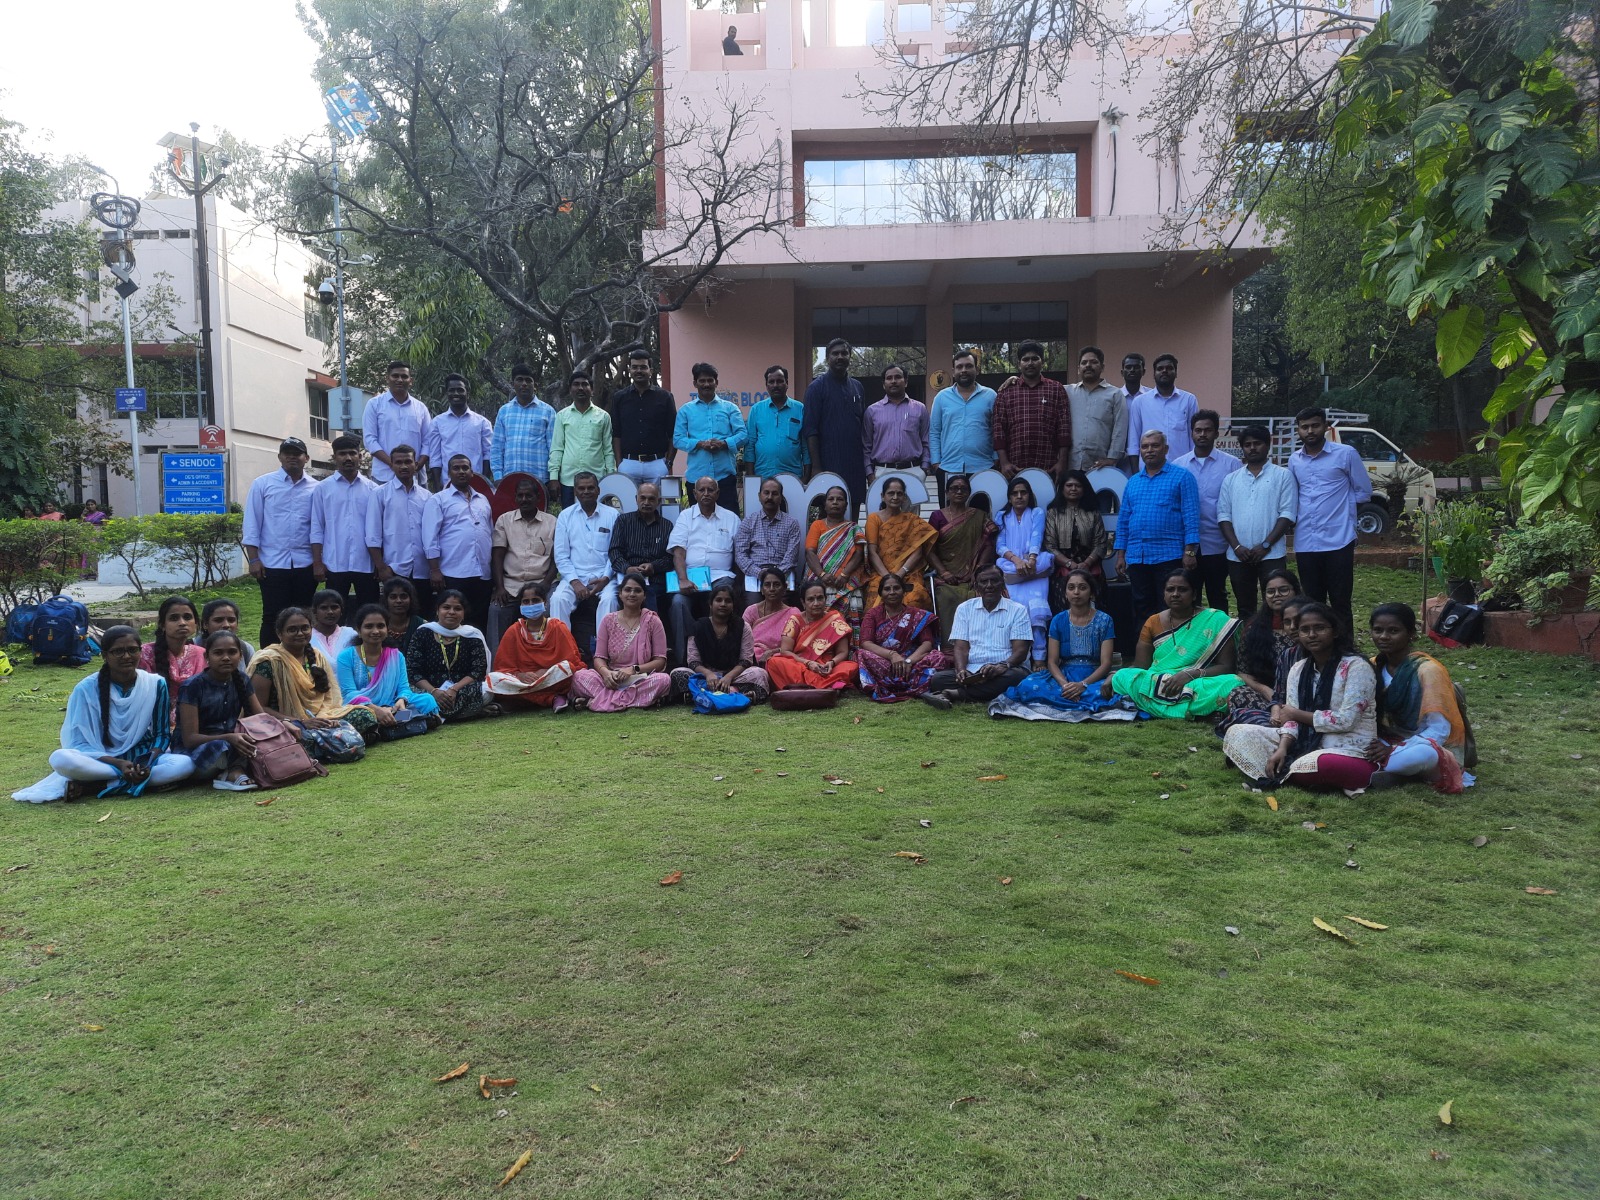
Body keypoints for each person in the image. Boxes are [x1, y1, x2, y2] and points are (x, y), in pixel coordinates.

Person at [12, 626, 194, 803]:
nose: (127, 656)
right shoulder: (85, 689)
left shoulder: (155, 684)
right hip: (102, 761)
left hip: (143, 758)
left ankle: (95, 786)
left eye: (132, 650)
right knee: (61, 759)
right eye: (118, 651)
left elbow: (162, 735)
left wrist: (148, 761)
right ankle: (125, 781)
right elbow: (79, 744)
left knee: (185, 764)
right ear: (104, 655)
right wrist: (119, 764)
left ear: (140, 651)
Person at [1223, 602, 1379, 791]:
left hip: (1346, 747)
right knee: (1238, 733)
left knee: (1320, 763)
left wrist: (1296, 714)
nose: (1311, 635)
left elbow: (1347, 720)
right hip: (1303, 741)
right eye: (1305, 630)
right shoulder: (1298, 669)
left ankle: (1286, 771)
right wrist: (1282, 748)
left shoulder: (1356, 667)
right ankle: (1290, 770)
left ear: (1335, 632)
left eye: (1319, 628)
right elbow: (1290, 720)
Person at [991, 569, 1126, 721]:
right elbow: (1052, 662)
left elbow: (1106, 663)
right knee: (1028, 685)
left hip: (1093, 677)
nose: (1076, 592)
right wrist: (1065, 685)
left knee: (1105, 692)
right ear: (1065, 593)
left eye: (1082, 588)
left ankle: (1070, 698)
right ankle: (1069, 696)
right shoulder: (1058, 620)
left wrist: (1083, 685)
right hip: (1063, 676)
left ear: (1092, 593)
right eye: (1071, 588)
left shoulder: (1105, 620)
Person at [1108, 567, 1243, 719]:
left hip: (1198, 682)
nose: (1175, 594)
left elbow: (1227, 667)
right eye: (1170, 589)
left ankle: (1158, 706)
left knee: (1233, 682)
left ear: (1194, 594)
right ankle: (1198, 710)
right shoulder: (1153, 622)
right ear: (1164, 594)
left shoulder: (1216, 620)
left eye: (1182, 590)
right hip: (1159, 681)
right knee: (1123, 676)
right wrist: (1114, 675)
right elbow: (1140, 666)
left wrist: (1190, 675)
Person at [1368, 602, 1473, 793]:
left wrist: (1395, 748)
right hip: (1385, 739)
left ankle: (1393, 770)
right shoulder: (1371, 666)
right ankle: (1395, 771)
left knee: (1420, 755)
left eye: (1393, 631)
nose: (1383, 636)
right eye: (1378, 630)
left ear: (1411, 634)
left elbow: (1439, 729)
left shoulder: (1428, 670)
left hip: (1424, 744)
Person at [1288, 406, 1371, 634]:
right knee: (1312, 603)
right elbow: (1294, 495)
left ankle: (1345, 649)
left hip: (1339, 539)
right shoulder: (1294, 460)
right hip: (1306, 541)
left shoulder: (1346, 454)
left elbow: (1363, 491)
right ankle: (1317, 648)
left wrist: (1342, 512)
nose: (1310, 431)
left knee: (1340, 602)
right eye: (1304, 427)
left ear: (1325, 427)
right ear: (1298, 430)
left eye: (1315, 425)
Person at [250, 608, 375, 757]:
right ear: (279, 633)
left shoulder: (316, 656)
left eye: (305, 628)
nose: (300, 633)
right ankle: (339, 741)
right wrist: (300, 721)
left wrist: (326, 718)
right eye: (292, 630)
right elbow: (258, 708)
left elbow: (328, 698)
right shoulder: (269, 661)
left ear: (311, 629)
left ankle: (329, 742)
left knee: (365, 716)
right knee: (296, 736)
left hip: (320, 717)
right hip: (285, 722)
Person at [1114, 430, 1201, 624]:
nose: (1149, 450)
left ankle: (1171, 643)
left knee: (1171, 607)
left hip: (1169, 556)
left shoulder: (1182, 477)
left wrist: (1190, 552)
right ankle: (1144, 643)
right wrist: (1120, 555)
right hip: (1137, 557)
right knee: (1141, 607)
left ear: (1166, 449)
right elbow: (1124, 520)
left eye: (1155, 445)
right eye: (1145, 446)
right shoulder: (1133, 482)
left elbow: (1191, 517)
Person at [242, 437, 319, 646]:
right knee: (272, 617)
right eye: (287, 453)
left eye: (297, 453)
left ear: (306, 458)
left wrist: (319, 562)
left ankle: (301, 658)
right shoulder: (263, 484)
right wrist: (253, 559)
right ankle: (269, 660)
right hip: (272, 564)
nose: (292, 457)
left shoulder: (317, 488)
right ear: (280, 457)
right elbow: (252, 524)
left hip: (305, 564)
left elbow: (320, 527)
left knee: (304, 617)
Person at [921, 565, 1031, 708]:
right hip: (973, 672)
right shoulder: (964, 609)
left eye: (994, 581)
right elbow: (961, 648)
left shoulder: (1018, 610)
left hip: (1006, 669)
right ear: (976, 586)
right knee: (938, 679)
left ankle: (955, 694)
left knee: (1018, 678)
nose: (989, 585)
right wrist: (961, 671)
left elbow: (1021, 651)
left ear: (1003, 584)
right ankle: (979, 691)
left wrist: (1002, 666)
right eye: (984, 582)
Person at [1217, 423, 1298, 617]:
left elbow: (1287, 514)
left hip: (1271, 554)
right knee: (1245, 607)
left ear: (1267, 445)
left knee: (1277, 606)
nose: (1252, 448)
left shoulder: (1283, 476)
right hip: (1238, 555)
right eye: (1247, 444)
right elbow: (1223, 516)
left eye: (1257, 443)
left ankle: (1276, 637)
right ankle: (1250, 637)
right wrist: (1237, 547)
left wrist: (1266, 545)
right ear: (1242, 448)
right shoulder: (1231, 479)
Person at [1214, 572, 1306, 734]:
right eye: (1270, 591)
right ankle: (1280, 721)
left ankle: (1276, 722)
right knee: (1238, 693)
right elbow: (1243, 672)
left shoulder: (1311, 623)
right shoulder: (1253, 628)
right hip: (1268, 694)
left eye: (1283, 590)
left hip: (1306, 692)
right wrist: (1266, 691)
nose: (1276, 595)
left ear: (1296, 591)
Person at [176, 630, 266, 790]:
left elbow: (261, 718)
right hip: (199, 751)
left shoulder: (242, 679)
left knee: (261, 739)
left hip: (234, 743)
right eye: (218, 653)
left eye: (232, 652)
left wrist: (284, 725)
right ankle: (233, 771)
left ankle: (232, 769)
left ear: (240, 656)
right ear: (207, 657)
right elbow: (190, 739)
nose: (226, 658)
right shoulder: (192, 686)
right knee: (221, 747)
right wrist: (228, 738)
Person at [335, 604, 441, 738]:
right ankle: (407, 721)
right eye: (369, 626)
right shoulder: (346, 656)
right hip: (364, 707)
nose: (375, 631)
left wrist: (401, 700)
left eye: (380, 626)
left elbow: (404, 688)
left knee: (426, 700)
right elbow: (349, 694)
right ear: (359, 631)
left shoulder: (396, 656)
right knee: (363, 715)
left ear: (387, 629)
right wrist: (376, 709)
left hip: (392, 705)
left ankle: (384, 726)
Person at [570, 573, 673, 711]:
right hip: (612, 679)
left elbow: (660, 661)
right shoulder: (608, 620)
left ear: (644, 596)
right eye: (628, 590)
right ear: (620, 594)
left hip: (639, 679)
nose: (632, 594)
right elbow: (599, 657)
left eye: (637, 590)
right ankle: (635, 700)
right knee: (579, 676)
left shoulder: (652, 621)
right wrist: (606, 674)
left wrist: (633, 670)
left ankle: (601, 700)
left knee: (663, 680)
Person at [1173, 409, 1242, 612]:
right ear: (1192, 433)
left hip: (1217, 543)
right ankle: (1191, 632)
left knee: (1217, 594)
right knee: (1188, 595)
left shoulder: (1232, 465)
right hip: (1186, 544)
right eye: (1198, 430)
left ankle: (1220, 631)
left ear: (1216, 433)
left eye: (1208, 430)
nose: (1202, 434)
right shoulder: (1178, 466)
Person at [668, 475, 742, 664]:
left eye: (710, 490)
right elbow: (678, 552)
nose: (706, 493)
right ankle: (684, 660)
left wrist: (739, 583)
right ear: (694, 493)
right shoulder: (685, 517)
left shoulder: (731, 518)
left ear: (718, 493)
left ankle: (720, 656)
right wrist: (683, 579)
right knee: (678, 603)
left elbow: (739, 554)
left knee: (723, 597)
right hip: (691, 578)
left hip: (720, 578)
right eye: (702, 490)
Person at [310, 433, 381, 616]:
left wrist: (379, 563)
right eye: (342, 454)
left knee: (370, 613)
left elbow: (379, 530)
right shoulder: (322, 489)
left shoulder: (373, 489)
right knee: (334, 615)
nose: (348, 458)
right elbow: (317, 527)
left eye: (352, 453)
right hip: (335, 563)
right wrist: (317, 562)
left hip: (366, 564)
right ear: (335, 457)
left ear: (360, 456)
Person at [423, 454, 495, 629]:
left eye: (465, 468)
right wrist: (434, 570)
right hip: (453, 572)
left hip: (482, 573)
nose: (461, 471)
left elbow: (490, 532)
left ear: (472, 472)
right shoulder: (438, 500)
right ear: (449, 473)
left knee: (479, 622)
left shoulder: (483, 499)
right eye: (456, 468)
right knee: (453, 621)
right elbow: (430, 538)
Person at [489, 582, 586, 711]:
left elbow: (572, 661)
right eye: (526, 602)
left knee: (567, 669)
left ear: (544, 603)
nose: (531, 605)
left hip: (552, 678)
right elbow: (503, 667)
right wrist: (520, 675)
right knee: (493, 679)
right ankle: (554, 698)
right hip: (523, 681)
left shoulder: (558, 627)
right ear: (520, 606)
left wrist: (546, 671)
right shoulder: (514, 631)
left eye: (535, 600)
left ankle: (521, 702)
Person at [671, 579, 771, 703]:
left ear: (733, 605)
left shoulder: (742, 626)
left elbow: (746, 660)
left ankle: (701, 695)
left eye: (728, 601)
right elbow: (693, 661)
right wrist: (708, 674)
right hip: (705, 676)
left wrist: (729, 677)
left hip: (734, 676)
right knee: (678, 673)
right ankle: (735, 694)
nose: (723, 604)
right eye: (718, 600)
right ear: (710, 604)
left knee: (759, 674)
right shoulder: (698, 627)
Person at [857, 572, 949, 703]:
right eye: (887, 589)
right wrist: (892, 655)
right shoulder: (873, 614)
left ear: (904, 591)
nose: (892, 592)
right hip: (884, 662)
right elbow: (866, 642)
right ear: (881, 593)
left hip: (911, 662)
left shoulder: (916, 614)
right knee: (862, 654)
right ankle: (918, 687)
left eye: (896, 588)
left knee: (938, 657)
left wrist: (908, 661)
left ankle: (908, 685)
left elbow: (927, 643)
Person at [407, 589, 497, 722]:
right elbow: (413, 671)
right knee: (412, 695)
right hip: (429, 690)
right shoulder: (423, 633)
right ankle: (470, 712)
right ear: (437, 611)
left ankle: (435, 714)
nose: (451, 612)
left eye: (457, 609)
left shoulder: (472, 635)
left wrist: (454, 689)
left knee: (487, 690)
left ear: (464, 613)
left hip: (462, 690)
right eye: (446, 607)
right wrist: (434, 691)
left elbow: (478, 671)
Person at [366, 442, 434, 618]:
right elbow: (372, 535)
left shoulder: (427, 497)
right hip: (394, 568)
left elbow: (432, 534)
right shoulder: (380, 494)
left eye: (408, 462)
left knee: (422, 616)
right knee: (395, 618)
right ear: (392, 465)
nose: (403, 466)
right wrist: (381, 567)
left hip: (422, 569)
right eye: (398, 462)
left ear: (416, 464)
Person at [925, 473, 996, 640]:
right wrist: (944, 573)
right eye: (954, 488)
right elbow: (929, 549)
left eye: (963, 489)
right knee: (946, 596)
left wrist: (978, 571)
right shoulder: (937, 516)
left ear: (969, 493)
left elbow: (988, 545)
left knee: (980, 594)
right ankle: (950, 645)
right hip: (945, 575)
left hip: (973, 573)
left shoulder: (979, 515)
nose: (959, 492)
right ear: (947, 493)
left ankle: (979, 642)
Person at [489, 477, 559, 646]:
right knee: (496, 610)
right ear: (515, 498)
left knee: (551, 608)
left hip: (542, 582)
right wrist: (499, 587)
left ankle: (546, 656)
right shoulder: (504, 520)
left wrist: (546, 583)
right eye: (520, 495)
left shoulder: (552, 522)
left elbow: (557, 558)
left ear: (537, 497)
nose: (524, 499)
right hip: (511, 585)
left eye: (529, 495)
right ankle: (497, 661)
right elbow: (497, 556)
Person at [802, 338, 869, 511]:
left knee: (853, 510)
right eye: (835, 353)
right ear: (827, 358)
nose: (840, 357)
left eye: (844, 353)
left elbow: (862, 427)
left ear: (850, 357)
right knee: (829, 513)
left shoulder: (858, 387)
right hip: (828, 463)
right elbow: (810, 430)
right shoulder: (816, 388)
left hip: (854, 464)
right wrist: (817, 468)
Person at [994, 476, 1053, 665]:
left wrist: (1032, 559)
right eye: (1015, 493)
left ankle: (1039, 658)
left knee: (1036, 615)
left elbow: (1037, 536)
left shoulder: (1037, 513)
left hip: (1034, 564)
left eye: (1023, 492)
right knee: (1016, 613)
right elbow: (1000, 545)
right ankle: (1017, 659)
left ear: (1029, 495)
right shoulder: (1002, 516)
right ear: (1009, 497)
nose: (1019, 497)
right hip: (1012, 564)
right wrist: (1017, 561)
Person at [550, 470, 619, 629]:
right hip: (574, 576)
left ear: (598, 490)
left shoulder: (612, 515)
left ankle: (603, 645)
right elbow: (561, 555)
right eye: (581, 488)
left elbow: (615, 552)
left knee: (609, 600)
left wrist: (606, 578)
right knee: (558, 600)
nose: (586, 491)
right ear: (575, 491)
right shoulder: (565, 516)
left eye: (590, 488)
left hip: (604, 576)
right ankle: (563, 645)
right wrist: (575, 582)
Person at [673, 363, 746, 512]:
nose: (706, 384)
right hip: (696, 479)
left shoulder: (730, 408)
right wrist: (699, 444)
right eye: (702, 381)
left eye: (710, 380)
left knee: (729, 520)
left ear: (716, 382)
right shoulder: (686, 410)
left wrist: (724, 444)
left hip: (724, 478)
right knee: (697, 521)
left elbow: (743, 435)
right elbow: (678, 439)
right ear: (695, 383)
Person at [993, 339, 1071, 480]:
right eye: (1025, 359)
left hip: (1048, 465)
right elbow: (998, 430)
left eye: (1035, 359)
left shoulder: (1056, 389)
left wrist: (1062, 462)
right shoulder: (1006, 392)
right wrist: (1004, 463)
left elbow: (1064, 428)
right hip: (1014, 467)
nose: (1030, 363)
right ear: (1019, 363)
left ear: (1042, 361)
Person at [929, 349, 997, 501]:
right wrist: (936, 462)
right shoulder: (941, 397)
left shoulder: (990, 396)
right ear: (953, 372)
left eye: (968, 366)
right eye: (959, 367)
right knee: (950, 515)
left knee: (981, 512)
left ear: (977, 370)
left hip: (983, 467)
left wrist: (996, 457)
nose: (964, 370)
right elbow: (934, 432)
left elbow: (997, 430)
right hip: (949, 468)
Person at [767, 578, 858, 691]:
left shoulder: (835, 619)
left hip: (827, 668)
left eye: (820, 598)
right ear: (803, 602)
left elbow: (842, 652)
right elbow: (785, 651)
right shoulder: (795, 620)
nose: (816, 603)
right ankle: (827, 685)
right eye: (810, 599)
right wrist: (808, 663)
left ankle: (806, 686)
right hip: (801, 665)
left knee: (851, 666)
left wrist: (831, 663)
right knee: (774, 662)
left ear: (825, 599)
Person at [803, 485, 867, 642]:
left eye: (840, 499)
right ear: (825, 505)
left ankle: (850, 648)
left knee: (854, 608)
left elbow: (859, 554)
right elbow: (810, 552)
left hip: (847, 583)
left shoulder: (854, 528)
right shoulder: (817, 525)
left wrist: (844, 575)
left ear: (846, 505)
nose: (835, 502)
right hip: (820, 582)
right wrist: (822, 575)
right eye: (831, 499)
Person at [865, 475, 937, 609]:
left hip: (908, 573)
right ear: (883, 496)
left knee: (915, 597)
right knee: (876, 599)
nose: (895, 497)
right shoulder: (874, 518)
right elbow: (872, 552)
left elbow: (917, 552)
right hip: (881, 572)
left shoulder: (912, 520)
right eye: (891, 493)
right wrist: (887, 577)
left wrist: (900, 574)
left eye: (899, 493)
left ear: (904, 497)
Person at [609, 350, 677, 486]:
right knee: (629, 500)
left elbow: (673, 433)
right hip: (628, 464)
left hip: (657, 464)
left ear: (650, 370)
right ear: (629, 370)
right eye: (634, 367)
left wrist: (668, 462)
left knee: (657, 500)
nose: (638, 371)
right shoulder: (619, 398)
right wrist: (619, 463)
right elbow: (616, 433)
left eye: (643, 367)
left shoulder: (665, 397)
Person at [548, 371, 615, 506]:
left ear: (592, 390)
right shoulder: (562, 416)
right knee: (570, 516)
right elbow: (557, 448)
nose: (580, 388)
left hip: (597, 479)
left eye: (585, 384)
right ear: (570, 390)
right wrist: (553, 477)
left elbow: (608, 450)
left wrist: (611, 477)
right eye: (576, 384)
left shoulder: (603, 416)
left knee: (599, 515)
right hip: (568, 480)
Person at [608, 480, 674, 614]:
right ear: (636, 499)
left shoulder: (667, 526)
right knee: (633, 591)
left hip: (656, 579)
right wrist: (627, 568)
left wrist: (653, 567)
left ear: (658, 501)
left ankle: (648, 626)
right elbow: (614, 551)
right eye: (642, 498)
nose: (646, 502)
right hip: (627, 577)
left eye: (651, 499)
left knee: (648, 593)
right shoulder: (624, 521)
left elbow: (669, 558)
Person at [1044, 469, 1109, 605]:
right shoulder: (1053, 513)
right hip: (1062, 568)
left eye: (1078, 485)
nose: (1073, 489)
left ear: (1084, 489)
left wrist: (1087, 563)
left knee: (1094, 607)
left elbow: (1101, 543)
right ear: (1062, 488)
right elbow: (1049, 546)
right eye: (1069, 485)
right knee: (1064, 606)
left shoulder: (1093, 512)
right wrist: (1069, 564)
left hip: (1090, 566)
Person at [138, 595, 206, 722]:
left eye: (187, 617)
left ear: (196, 623)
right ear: (162, 625)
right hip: (153, 721)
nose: (182, 623)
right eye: (174, 618)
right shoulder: (145, 654)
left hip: (195, 720)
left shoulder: (201, 654)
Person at [363, 360, 432, 484]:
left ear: (411, 381)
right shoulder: (374, 405)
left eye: (404, 376)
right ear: (387, 378)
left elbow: (428, 441)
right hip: (384, 476)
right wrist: (392, 463)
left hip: (416, 477)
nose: (399, 380)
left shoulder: (421, 408)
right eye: (395, 376)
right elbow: (370, 440)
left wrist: (418, 464)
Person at [490, 363, 556, 485]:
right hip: (509, 480)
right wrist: (497, 476)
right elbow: (497, 447)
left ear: (535, 385)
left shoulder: (548, 412)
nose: (524, 384)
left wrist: (553, 478)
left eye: (528, 380)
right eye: (519, 380)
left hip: (540, 481)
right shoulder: (504, 411)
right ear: (513, 383)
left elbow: (554, 448)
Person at [1065, 345, 1126, 472]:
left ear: (1102, 367)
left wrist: (1112, 458)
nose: (1088, 365)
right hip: (1071, 465)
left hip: (1101, 466)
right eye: (1084, 363)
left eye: (1093, 362)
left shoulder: (1115, 394)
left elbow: (1120, 428)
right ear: (1078, 369)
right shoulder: (1067, 392)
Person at [1126, 353, 1198, 460]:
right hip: (1148, 467)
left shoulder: (1189, 400)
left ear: (1176, 373)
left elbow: (1194, 437)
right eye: (1160, 369)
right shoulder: (1140, 402)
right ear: (1154, 374)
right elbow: (1133, 441)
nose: (1164, 371)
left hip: (1181, 465)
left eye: (1169, 368)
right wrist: (1136, 469)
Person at [735, 476, 804, 584]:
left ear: (781, 498)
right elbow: (740, 554)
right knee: (751, 596)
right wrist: (759, 573)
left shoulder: (791, 523)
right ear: (759, 496)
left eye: (775, 493)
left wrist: (775, 575)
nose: (770, 497)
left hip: (783, 575)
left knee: (784, 595)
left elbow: (791, 557)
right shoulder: (748, 521)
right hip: (755, 574)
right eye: (766, 493)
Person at [864, 365, 929, 480]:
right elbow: (866, 445)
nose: (893, 381)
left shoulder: (920, 408)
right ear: (884, 384)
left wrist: (924, 468)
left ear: (906, 382)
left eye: (898, 377)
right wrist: (869, 473)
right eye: (889, 378)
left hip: (913, 471)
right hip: (882, 472)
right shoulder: (872, 411)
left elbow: (926, 441)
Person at [425, 373, 493, 479]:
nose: (456, 393)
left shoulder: (482, 423)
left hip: (475, 482)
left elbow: (488, 455)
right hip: (448, 483)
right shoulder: (437, 422)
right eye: (452, 390)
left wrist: (484, 482)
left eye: (460, 390)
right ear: (446, 393)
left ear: (467, 393)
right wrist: (438, 486)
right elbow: (435, 458)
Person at [743, 366, 807, 479]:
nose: (775, 385)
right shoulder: (756, 410)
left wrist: (806, 479)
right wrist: (752, 478)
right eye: (771, 382)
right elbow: (750, 446)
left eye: (780, 381)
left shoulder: (799, 409)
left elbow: (805, 447)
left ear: (787, 383)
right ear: (766, 385)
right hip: (763, 476)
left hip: (793, 477)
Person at [743, 566, 801, 667]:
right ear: (762, 589)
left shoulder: (793, 613)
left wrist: (772, 652)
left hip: (780, 659)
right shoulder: (751, 611)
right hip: (752, 657)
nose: (772, 589)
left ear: (784, 588)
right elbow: (742, 640)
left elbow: (798, 645)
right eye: (767, 585)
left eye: (776, 584)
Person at [192, 598, 255, 666]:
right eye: (218, 620)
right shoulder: (189, 649)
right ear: (205, 624)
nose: (226, 625)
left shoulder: (246, 649)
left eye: (231, 620)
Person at [309, 589, 359, 661]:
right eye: (324, 608)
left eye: (334, 607)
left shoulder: (351, 635)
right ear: (314, 611)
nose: (330, 612)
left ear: (341, 610)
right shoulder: (307, 636)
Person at [381, 577, 425, 654]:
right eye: (393, 597)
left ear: (411, 599)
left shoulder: (422, 625)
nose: (399, 601)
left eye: (403, 596)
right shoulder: (378, 624)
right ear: (386, 600)